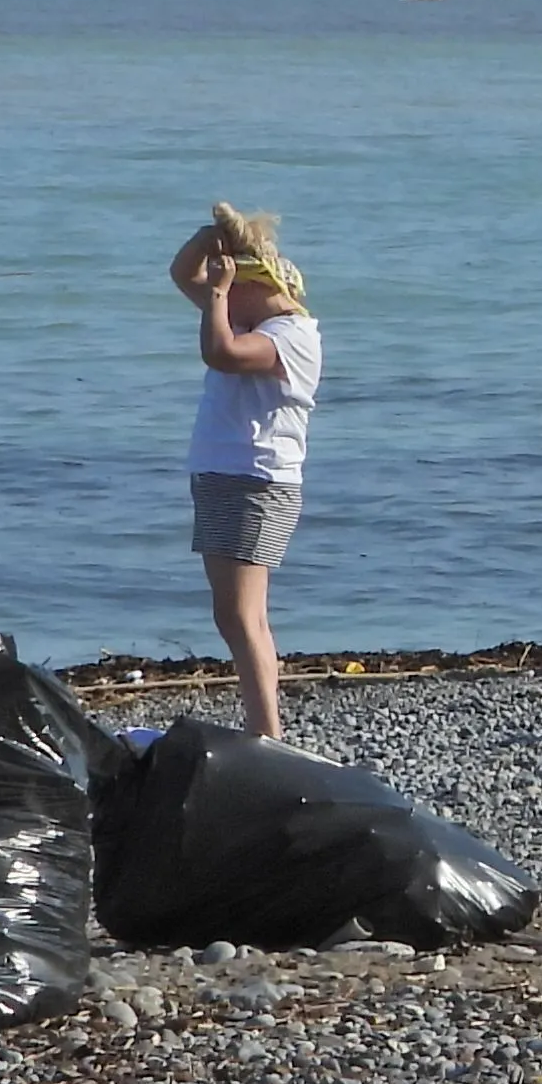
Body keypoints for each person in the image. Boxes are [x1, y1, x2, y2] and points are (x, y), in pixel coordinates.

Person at [173, 204, 323, 740]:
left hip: (255, 479)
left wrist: (218, 293)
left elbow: (222, 354)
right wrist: (214, 236)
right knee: (233, 612)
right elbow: (180, 272)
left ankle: (267, 731)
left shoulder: (290, 334)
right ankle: (264, 728)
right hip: (227, 475)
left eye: (239, 288)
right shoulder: (251, 319)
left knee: (242, 615)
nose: (229, 298)